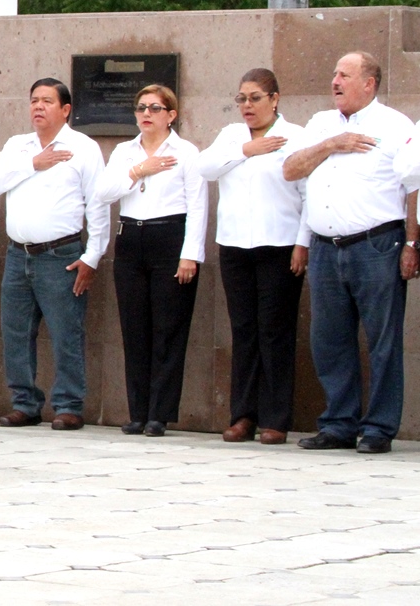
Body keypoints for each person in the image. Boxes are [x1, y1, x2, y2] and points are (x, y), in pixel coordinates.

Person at [293, 52, 414, 454]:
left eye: (345, 75)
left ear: (369, 83)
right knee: (329, 340)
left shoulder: (394, 125)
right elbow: (291, 169)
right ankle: (339, 424)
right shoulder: (320, 123)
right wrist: (332, 144)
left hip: (377, 245)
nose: (335, 81)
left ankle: (379, 427)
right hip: (326, 248)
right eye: (334, 73)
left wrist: (412, 243)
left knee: (382, 340)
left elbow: (414, 187)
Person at [0, 79, 109, 431]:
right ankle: (25, 403)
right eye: (34, 100)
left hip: (61, 255)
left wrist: (93, 256)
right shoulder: (17, 146)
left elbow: (98, 205)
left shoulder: (83, 148)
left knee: (66, 332)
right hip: (17, 256)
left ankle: (69, 405)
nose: (38, 106)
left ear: (65, 110)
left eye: (47, 101)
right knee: (16, 333)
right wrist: (32, 164)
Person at [194, 68, 310, 446]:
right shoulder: (232, 136)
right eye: (241, 98)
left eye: (255, 98)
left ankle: (275, 419)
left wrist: (303, 242)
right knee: (244, 331)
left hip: (280, 244)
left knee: (275, 332)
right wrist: (246, 150)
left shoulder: (296, 136)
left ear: (274, 99)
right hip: (235, 246)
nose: (247, 105)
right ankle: (243, 415)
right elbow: (204, 168)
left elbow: (309, 193)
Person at [95, 84, 209, 438]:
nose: (146, 114)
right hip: (131, 238)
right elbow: (103, 192)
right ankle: (138, 411)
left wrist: (190, 254)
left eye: (155, 108)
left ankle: (160, 413)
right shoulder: (125, 152)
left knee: (167, 330)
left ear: (171, 115)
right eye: (141, 107)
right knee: (135, 329)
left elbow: (198, 206)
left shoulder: (185, 152)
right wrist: (138, 171)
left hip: (170, 238)